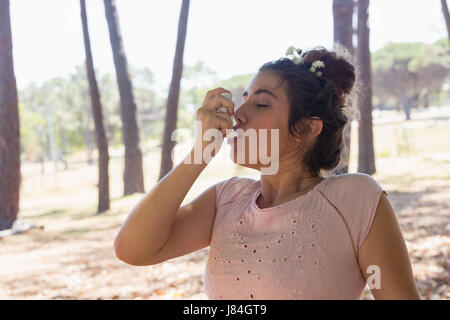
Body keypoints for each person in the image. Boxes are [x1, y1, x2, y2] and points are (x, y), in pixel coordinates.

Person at [113, 46, 420, 300]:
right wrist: (199, 154)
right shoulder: (226, 199)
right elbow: (133, 249)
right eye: (243, 99)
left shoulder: (354, 198)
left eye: (260, 103)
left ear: (305, 128)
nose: (238, 115)